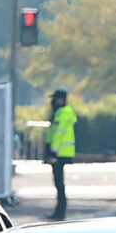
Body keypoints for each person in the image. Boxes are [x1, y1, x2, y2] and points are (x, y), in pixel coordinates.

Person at [45, 89, 76, 220]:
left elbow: (58, 134)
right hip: (61, 152)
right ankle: (59, 210)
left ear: (62, 100)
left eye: (55, 99)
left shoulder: (62, 114)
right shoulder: (61, 112)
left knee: (59, 183)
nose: (53, 101)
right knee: (58, 183)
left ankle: (60, 211)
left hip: (59, 153)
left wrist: (52, 152)